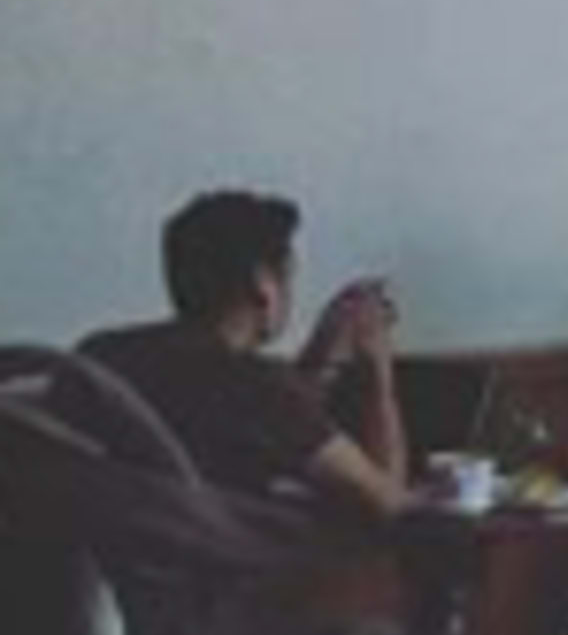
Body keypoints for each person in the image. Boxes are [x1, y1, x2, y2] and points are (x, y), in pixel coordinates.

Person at [77, 189, 410, 521]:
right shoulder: (257, 389)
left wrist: (321, 355)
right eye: (289, 278)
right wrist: (377, 374)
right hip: (247, 567)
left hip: (127, 564)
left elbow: (277, 421)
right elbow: (389, 505)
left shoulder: (102, 355)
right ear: (263, 285)